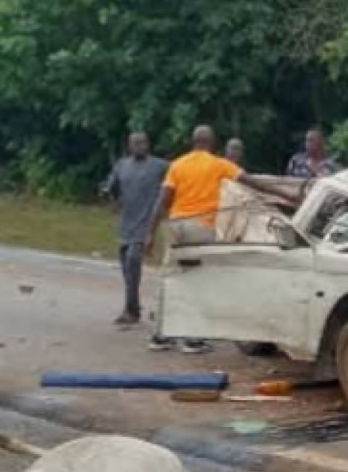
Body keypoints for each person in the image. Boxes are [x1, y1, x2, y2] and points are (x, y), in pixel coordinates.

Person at [147, 125, 290, 352]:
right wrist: (285, 194)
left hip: (175, 225)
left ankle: (160, 336)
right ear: (212, 143)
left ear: (193, 142)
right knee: (198, 279)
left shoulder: (177, 165)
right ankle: (191, 339)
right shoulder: (218, 164)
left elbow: (162, 201)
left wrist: (150, 234)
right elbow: (252, 182)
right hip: (201, 225)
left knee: (171, 276)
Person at [103, 132, 168, 326]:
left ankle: (130, 311)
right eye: (135, 143)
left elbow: (175, 182)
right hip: (126, 223)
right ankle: (134, 305)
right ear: (129, 146)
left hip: (145, 223)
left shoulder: (159, 166)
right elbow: (112, 187)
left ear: (148, 144)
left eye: (143, 142)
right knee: (127, 269)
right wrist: (109, 193)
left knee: (133, 261)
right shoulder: (122, 165)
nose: (139, 146)